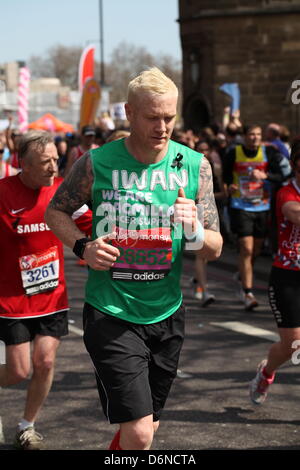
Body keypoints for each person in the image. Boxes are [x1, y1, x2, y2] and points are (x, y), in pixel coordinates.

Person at [45, 67, 223, 451]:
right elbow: (55, 211)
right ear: (129, 112)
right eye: (152, 117)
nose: (163, 127)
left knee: (146, 429)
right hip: (111, 312)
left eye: (170, 117)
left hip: (167, 314)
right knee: (140, 432)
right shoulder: (96, 163)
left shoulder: (195, 166)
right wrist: (83, 247)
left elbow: (214, 247)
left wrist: (193, 229)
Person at [0, 131, 91, 450]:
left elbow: (93, 224)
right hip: (10, 300)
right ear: (22, 164)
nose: (54, 168)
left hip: (52, 296)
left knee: (46, 362)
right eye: (45, 162)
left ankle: (27, 427)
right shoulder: (3, 193)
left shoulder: (62, 195)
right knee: (18, 370)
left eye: (56, 159)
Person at [249, 141, 300, 404]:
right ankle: (266, 372)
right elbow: (294, 214)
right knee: (294, 345)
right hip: (288, 278)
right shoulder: (287, 193)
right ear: (295, 165)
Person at [223, 124, 291, 310]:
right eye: (251, 134)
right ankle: (247, 292)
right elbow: (226, 175)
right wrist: (229, 186)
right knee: (246, 248)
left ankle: (244, 273)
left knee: (256, 251)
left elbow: (284, 175)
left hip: (262, 207)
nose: (254, 137)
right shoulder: (233, 153)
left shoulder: (269, 153)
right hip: (240, 205)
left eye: (258, 134)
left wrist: (266, 175)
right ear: (244, 136)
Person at [194, 140, 227, 306]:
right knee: (200, 255)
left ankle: (199, 282)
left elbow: (222, 193)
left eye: (206, 149)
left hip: (210, 210)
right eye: (200, 150)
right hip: (193, 211)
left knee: (205, 255)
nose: (204, 152)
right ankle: (204, 289)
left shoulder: (215, 169)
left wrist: (208, 197)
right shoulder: (189, 166)